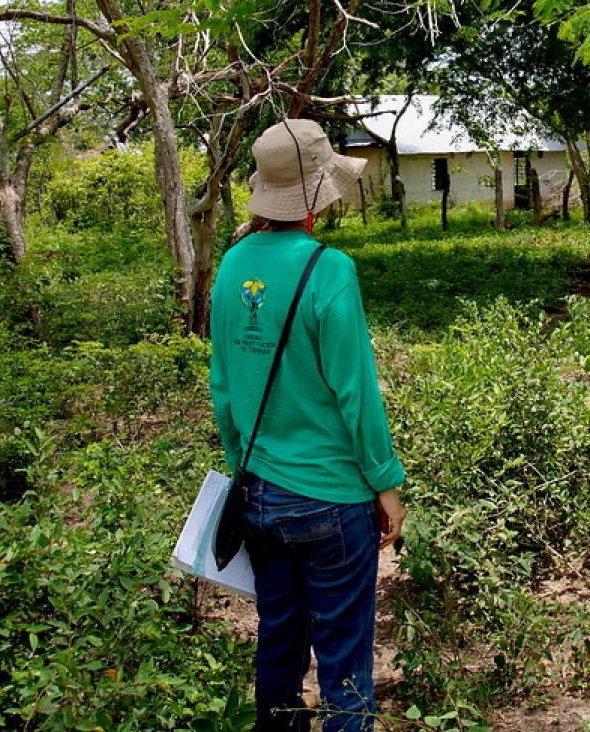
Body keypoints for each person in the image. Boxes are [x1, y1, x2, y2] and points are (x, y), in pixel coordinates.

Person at [210, 118, 406, 732]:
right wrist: (386, 483)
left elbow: (223, 390)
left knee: (278, 642)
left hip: (260, 493)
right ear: (319, 194)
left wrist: (245, 461)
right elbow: (356, 393)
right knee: (344, 655)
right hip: (332, 500)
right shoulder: (329, 269)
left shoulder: (230, 266)